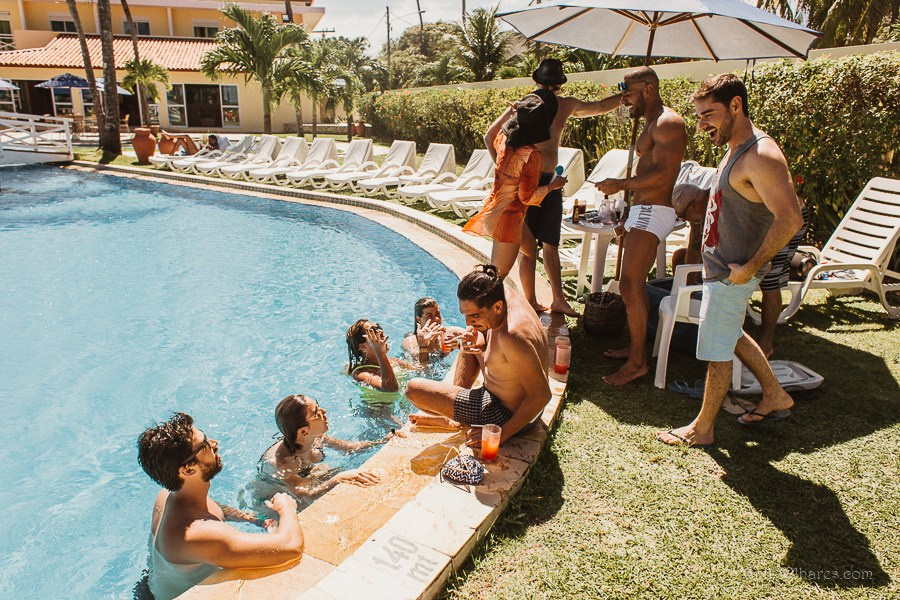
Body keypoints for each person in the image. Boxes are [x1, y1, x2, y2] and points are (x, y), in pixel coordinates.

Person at [656, 74, 803, 448]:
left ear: (736, 105)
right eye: (699, 117)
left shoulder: (761, 156)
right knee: (730, 334)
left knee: (717, 351)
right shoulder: (736, 148)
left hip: (732, 273)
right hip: (722, 268)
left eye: (709, 115)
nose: (702, 125)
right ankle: (775, 394)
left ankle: (702, 429)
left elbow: (790, 219)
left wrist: (751, 267)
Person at [137, 413, 304, 600]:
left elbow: (216, 508)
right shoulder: (197, 535)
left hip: (154, 585)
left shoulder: (170, 496)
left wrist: (255, 520)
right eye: (205, 444)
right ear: (188, 469)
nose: (214, 443)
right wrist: (287, 509)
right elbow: (290, 548)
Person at [596, 66, 688, 386]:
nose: (624, 100)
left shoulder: (668, 123)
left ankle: (637, 363)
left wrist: (620, 184)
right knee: (632, 285)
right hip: (642, 209)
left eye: (629, 94)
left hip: (654, 210)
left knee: (629, 285)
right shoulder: (651, 122)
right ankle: (637, 348)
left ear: (649, 90)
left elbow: (665, 173)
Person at [405, 265, 551, 450]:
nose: (468, 321)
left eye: (474, 315)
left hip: (506, 415)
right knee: (469, 335)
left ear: (497, 307)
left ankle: (455, 418)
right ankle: (457, 412)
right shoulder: (506, 296)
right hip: (506, 397)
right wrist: (480, 342)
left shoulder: (511, 336)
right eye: (464, 314)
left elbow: (542, 395)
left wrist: (499, 435)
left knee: (413, 389)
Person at [521, 58, 624, 316]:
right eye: (549, 85)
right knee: (534, 247)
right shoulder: (531, 105)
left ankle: (555, 299)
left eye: (551, 86)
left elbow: (600, 106)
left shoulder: (559, 104)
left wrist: (624, 96)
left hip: (550, 182)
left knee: (544, 243)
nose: (549, 89)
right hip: (530, 182)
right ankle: (533, 301)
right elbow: (500, 141)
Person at [463, 89, 567, 279]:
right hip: (508, 218)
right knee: (495, 278)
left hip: (500, 209)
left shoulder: (505, 141)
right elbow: (526, 197)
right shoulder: (530, 155)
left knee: (530, 251)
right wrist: (554, 185)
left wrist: (510, 112)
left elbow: (488, 136)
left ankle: (531, 296)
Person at [246, 394, 394, 511]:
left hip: (306, 477)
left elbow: (350, 448)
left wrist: (383, 441)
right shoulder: (280, 464)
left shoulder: (317, 437)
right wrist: (338, 479)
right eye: (316, 413)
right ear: (303, 431)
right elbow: (307, 496)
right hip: (271, 502)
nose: (324, 412)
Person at [756, 202, 809, 357]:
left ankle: (766, 344)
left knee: (770, 279)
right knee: (768, 276)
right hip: (772, 215)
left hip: (785, 216)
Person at [346, 319, 416, 393]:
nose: (381, 332)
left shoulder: (394, 361)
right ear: (363, 347)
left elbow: (420, 371)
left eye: (379, 328)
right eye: (374, 331)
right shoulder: (361, 374)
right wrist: (380, 353)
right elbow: (391, 389)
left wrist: (422, 346)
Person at [402, 297, 466, 365]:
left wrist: (459, 346)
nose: (436, 319)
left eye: (437, 314)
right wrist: (423, 345)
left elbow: (473, 339)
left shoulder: (449, 332)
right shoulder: (411, 342)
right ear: (419, 319)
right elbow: (423, 368)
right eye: (429, 316)